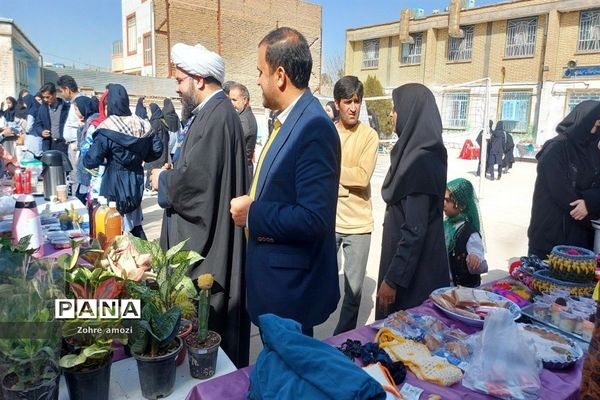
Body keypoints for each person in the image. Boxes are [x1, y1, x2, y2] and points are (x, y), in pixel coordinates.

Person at [230, 27, 341, 337]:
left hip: (291, 292)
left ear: (279, 75)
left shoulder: (313, 127)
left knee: (288, 377)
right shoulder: (289, 119)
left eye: (260, 72)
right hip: (277, 283)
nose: (257, 80)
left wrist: (252, 214)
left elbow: (313, 217)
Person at [150, 42, 250, 367]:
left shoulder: (216, 116)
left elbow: (197, 187)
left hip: (211, 252)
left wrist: (162, 182)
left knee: (209, 330)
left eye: (180, 80)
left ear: (199, 79)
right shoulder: (211, 113)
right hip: (216, 234)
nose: (178, 88)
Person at [376, 83, 449, 318]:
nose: (391, 114)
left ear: (411, 111)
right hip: (412, 273)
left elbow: (414, 231)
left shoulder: (420, 162)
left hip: (414, 282)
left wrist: (393, 280)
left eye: (395, 108)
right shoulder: (418, 153)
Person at [332, 76, 378, 335]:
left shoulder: (369, 136)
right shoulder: (327, 132)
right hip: (329, 222)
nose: (353, 107)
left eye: (357, 102)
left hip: (359, 226)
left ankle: (341, 340)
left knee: (354, 292)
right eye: (347, 101)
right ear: (338, 103)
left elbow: (362, 178)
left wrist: (333, 172)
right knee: (324, 286)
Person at [83, 84, 161, 239]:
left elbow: (91, 160)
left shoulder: (108, 127)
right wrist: (141, 155)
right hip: (136, 179)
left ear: (110, 103)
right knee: (134, 225)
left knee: (112, 228)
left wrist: (104, 158)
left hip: (113, 181)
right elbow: (157, 150)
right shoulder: (142, 123)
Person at [527, 101, 600, 258]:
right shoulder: (555, 149)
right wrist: (589, 213)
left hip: (580, 238)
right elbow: (561, 192)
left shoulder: (593, 152)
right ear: (583, 122)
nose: (595, 132)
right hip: (550, 237)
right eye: (594, 126)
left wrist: (589, 202)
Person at [443, 178, 487, 288]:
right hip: (446, 283)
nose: (443, 204)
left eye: (448, 201)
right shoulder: (446, 225)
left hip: (462, 288)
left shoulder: (469, 232)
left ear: (461, 205)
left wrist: (474, 257)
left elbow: (476, 251)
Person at [72, 95, 99, 204]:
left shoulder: (92, 122)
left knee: (88, 198)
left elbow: (85, 146)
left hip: (90, 168)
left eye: (76, 109)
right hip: (87, 166)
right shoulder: (88, 121)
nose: (75, 112)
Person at [57, 75, 82, 192]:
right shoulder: (73, 103)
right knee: (73, 176)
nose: (61, 94)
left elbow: (83, 126)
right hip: (72, 145)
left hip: (76, 146)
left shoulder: (79, 103)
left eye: (61, 91)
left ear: (67, 89)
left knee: (77, 177)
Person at [229, 83, 257, 178]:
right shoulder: (243, 116)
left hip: (241, 173)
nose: (231, 104)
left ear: (244, 100)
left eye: (234, 100)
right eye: (230, 100)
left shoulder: (244, 119)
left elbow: (231, 141)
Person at [33, 82, 70, 153]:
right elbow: (37, 125)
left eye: (47, 97)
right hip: (49, 144)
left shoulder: (66, 107)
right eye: (43, 97)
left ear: (55, 94)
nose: (45, 99)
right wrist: (41, 131)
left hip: (64, 145)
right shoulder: (42, 108)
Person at [144, 103, 170, 191]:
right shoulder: (162, 121)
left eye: (149, 111)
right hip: (164, 149)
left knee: (152, 168)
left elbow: (150, 136)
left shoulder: (155, 122)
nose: (148, 114)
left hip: (156, 150)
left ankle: (150, 186)